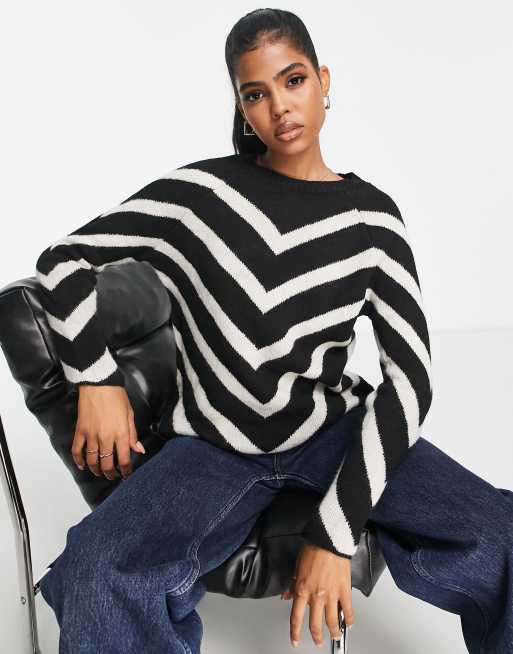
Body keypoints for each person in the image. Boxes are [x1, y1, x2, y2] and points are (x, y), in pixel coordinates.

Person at [35, 8, 512, 654]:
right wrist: (97, 379)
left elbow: (410, 382)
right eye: (256, 94)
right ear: (241, 107)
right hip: (212, 446)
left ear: (322, 80)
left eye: (293, 81)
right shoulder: (201, 195)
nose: (279, 107)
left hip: (330, 431)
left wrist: (333, 536)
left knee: (500, 535)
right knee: (96, 569)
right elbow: (63, 261)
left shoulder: (371, 221)